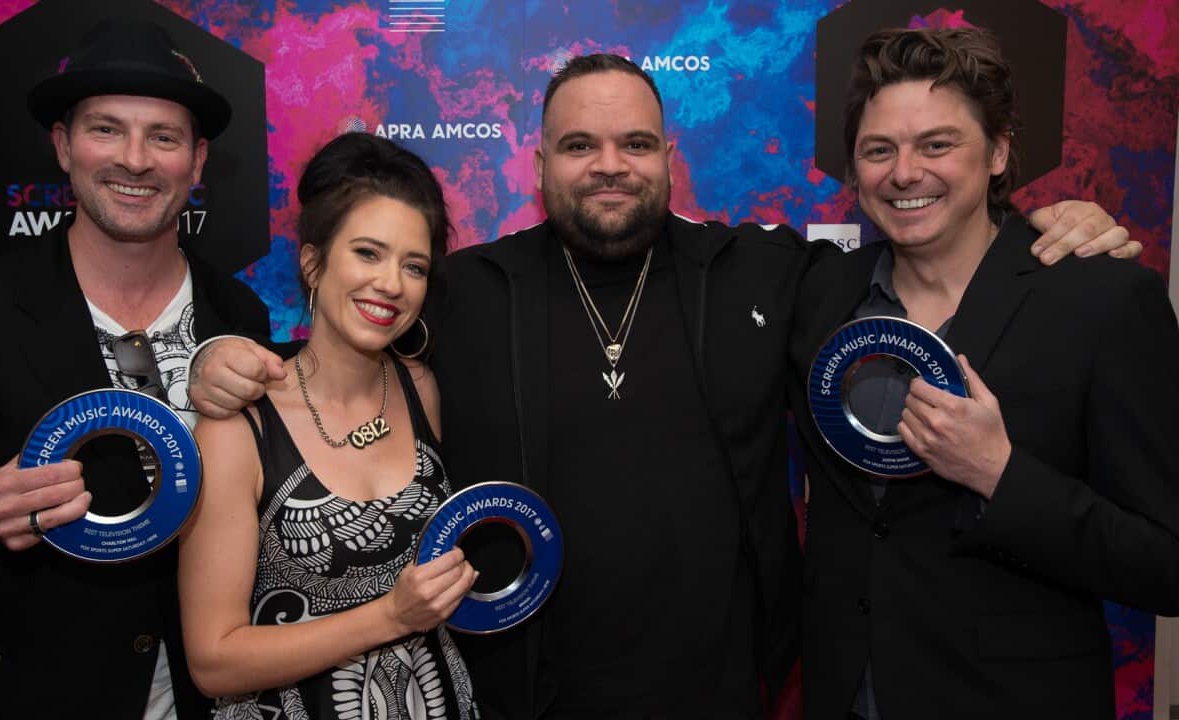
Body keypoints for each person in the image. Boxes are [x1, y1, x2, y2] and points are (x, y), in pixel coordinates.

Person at [188, 54, 1136, 719]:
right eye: (579, 145)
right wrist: (221, 357)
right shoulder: (468, 289)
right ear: (539, 164)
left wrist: (1042, 227)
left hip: (720, 691)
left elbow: (929, 257)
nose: (610, 166)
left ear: (670, 159)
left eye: (636, 143)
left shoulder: (769, 273)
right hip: (522, 686)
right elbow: (350, 335)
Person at [786, 27, 1179, 720]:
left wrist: (999, 473)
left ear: (998, 152)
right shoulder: (820, 294)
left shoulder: (1103, 301)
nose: (905, 172)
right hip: (843, 695)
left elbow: (1166, 563)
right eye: (879, 150)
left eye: (937, 144)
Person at [0, 19, 269, 720]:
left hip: (213, 698)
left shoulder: (239, 312)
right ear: (64, 145)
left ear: (197, 161)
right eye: (106, 129)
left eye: (164, 137)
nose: (135, 159)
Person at [177, 132, 479, 719]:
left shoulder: (421, 386)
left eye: (413, 266)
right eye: (367, 253)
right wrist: (390, 616)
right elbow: (213, 661)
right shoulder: (240, 425)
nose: (391, 283)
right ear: (313, 263)